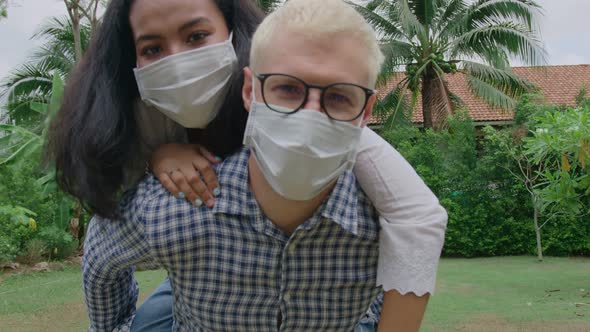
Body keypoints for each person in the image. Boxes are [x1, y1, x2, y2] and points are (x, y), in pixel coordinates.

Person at [82, 0, 445, 331]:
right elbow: (101, 253)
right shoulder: (171, 204)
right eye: (287, 90)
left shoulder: (381, 224)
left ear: (365, 112)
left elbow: (417, 224)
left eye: (337, 97)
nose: (309, 118)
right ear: (249, 91)